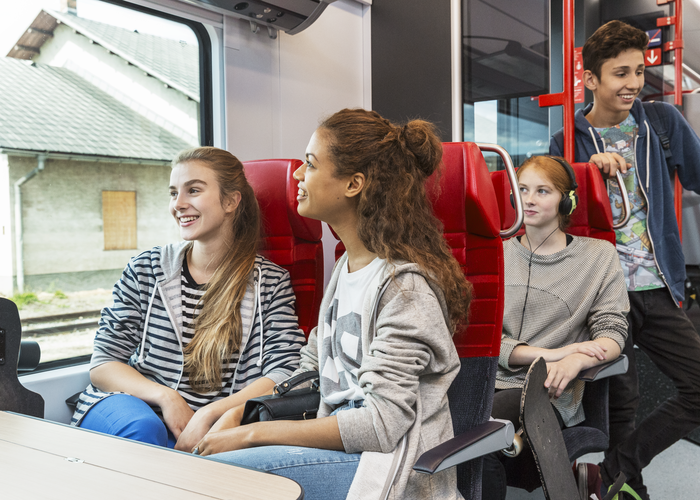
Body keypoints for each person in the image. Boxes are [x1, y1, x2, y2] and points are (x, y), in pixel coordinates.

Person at [192, 109, 472, 500]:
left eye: (310, 164)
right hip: (344, 450)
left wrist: (253, 435)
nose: (297, 175)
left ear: (354, 184)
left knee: (208, 478)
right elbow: (310, 366)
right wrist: (232, 409)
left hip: (389, 467)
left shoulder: (405, 290)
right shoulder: (346, 267)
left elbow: (380, 426)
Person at [70, 146, 306, 454]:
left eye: (193, 190)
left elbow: (284, 372)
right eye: (173, 193)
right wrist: (167, 397)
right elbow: (103, 363)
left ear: (231, 201)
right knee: (145, 430)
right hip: (133, 407)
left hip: (214, 422)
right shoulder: (146, 268)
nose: (178, 205)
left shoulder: (270, 283)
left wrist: (213, 412)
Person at [550, 20, 700, 499]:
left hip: (657, 285)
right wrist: (582, 174)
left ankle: (614, 468)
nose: (633, 83)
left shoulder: (662, 123)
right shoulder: (566, 142)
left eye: (638, 71)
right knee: (623, 402)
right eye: (620, 73)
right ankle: (625, 490)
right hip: (603, 293)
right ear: (590, 78)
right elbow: (549, 217)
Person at [481, 155, 629, 499]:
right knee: (462, 430)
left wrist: (576, 361)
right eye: (522, 190)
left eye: (542, 191)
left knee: (477, 433)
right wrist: (551, 353)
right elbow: (486, 339)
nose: (528, 199)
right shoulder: (496, 255)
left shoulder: (598, 256)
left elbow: (612, 330)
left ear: (567, 201)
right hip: (490, 383)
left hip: (549, 392)